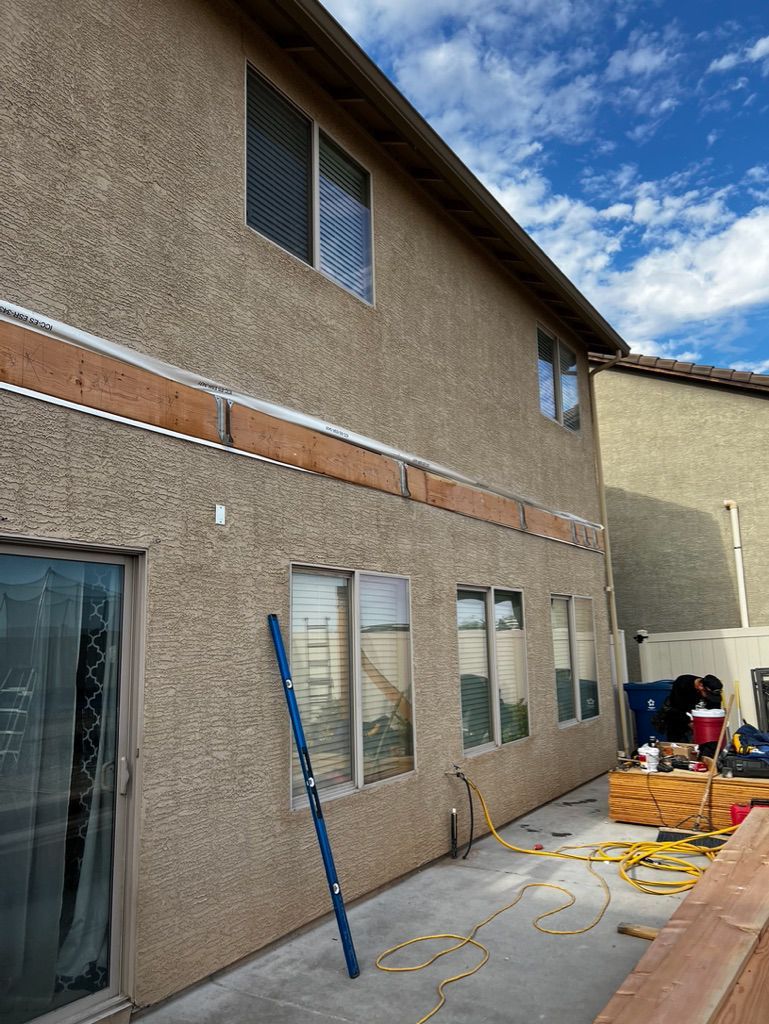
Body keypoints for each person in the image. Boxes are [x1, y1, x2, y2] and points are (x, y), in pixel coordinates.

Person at [651, 674, 723, 742]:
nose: (708, 697)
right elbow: (677, 707)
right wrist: (690, 723)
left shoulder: (710, 687)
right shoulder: (683, 684)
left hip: (700, 724)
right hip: (677, 719)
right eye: (707, 695)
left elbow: (715, 709)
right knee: (679, 741)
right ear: (700, 686)